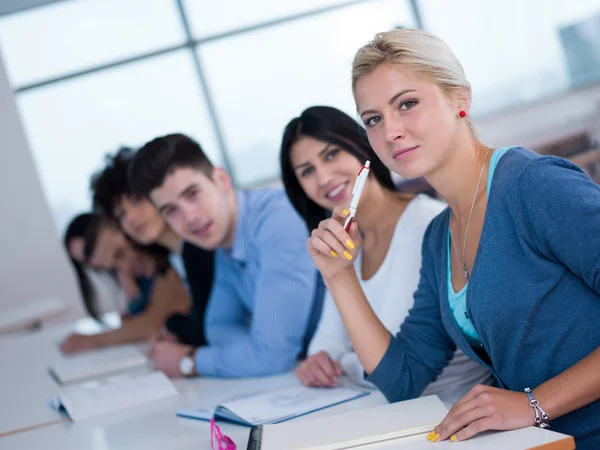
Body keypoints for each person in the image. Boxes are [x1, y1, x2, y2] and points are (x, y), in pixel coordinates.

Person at [306, 28, 600, 448]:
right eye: (373, 119)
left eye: (407, 104)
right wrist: (339, 275)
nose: (390, 132)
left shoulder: (532, 186)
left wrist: (533, 404)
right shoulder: (437, 238)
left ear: (460, 98)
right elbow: (403, 379)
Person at [280, 105, 493, 404]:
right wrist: (323, 358)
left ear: (360, 147)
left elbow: (387, 365)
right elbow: (326, 340)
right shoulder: (348, 239)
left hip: (450, 412)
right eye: (307, 171)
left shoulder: (424, 225)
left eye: (331, 155)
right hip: (388, 410)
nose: (324, 177)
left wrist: (340, 364)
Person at [129, 133, 324, 378]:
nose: (189, 217)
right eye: (171, 211)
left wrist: (189, 361)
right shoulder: (223, 241)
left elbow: (272, 356)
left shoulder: (275, 221)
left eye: (192, 194)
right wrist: (256, 350)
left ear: (221, 180)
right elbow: (218, 329)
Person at [90, 147, 215, 346]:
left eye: (137, 201)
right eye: (121, 214)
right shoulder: (174, 257)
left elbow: (213, 328)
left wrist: (175, 328)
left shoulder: (203, 243)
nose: (130, 218)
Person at [61, 213, 190, 353]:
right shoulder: (128, 274)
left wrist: (91, 340)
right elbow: (137, 318)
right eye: (86, 262)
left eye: (119, 254)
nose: (94, 263)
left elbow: (154, 322)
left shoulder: (167, 261)